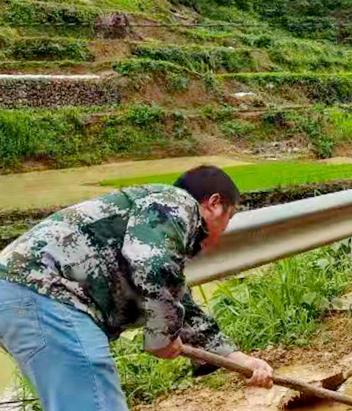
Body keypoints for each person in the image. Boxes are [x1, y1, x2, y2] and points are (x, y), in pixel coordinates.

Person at [0, 165, 274, 410]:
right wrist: (161, 335)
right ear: (214, 203)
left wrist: (240, 360)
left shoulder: (154, 223)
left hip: (25, 296)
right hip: (41, 292)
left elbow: (178, 302)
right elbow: (153, 267)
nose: (222, 234)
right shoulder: (175, 202)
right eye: (229, 218)